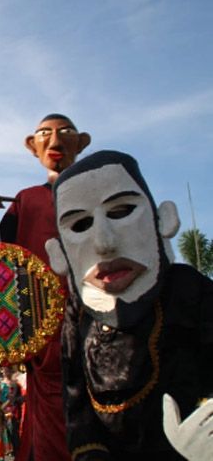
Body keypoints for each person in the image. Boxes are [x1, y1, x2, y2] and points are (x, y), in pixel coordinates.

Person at [44, 150, 213, 460]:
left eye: (121, 211)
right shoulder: (77, 315)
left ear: (163, 219)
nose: (104, 243)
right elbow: (78, 404)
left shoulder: (187, 291)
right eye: (80, 224)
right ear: (58, 255)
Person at [0, 113, 91, 461]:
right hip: (43, 322)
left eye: (65, 134)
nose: (55, 143)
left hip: (93, 311)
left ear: (81, 143)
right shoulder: (27, 200)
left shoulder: (94, 191)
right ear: (32, 145)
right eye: (45, 135)